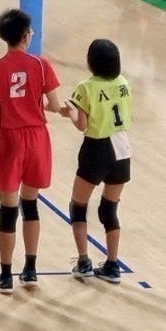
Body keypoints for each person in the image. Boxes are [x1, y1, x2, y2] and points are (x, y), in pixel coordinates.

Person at [0, 8, 66, 293]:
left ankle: (5, 275)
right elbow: (54, 105)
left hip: (8, 139)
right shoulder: (41, 65)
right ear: (26, 36)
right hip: (37, 138)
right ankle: (30, 270)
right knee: (30, 204)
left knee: (7, 210)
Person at [65, 39, 132, 285]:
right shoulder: (123, 83)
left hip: (96, 149)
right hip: (122, 147)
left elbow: (81, 124)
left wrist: (71, 112)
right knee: (109, 209)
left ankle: (84, 262)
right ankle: (113, 265)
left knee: (78, 206)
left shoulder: (86, 87)